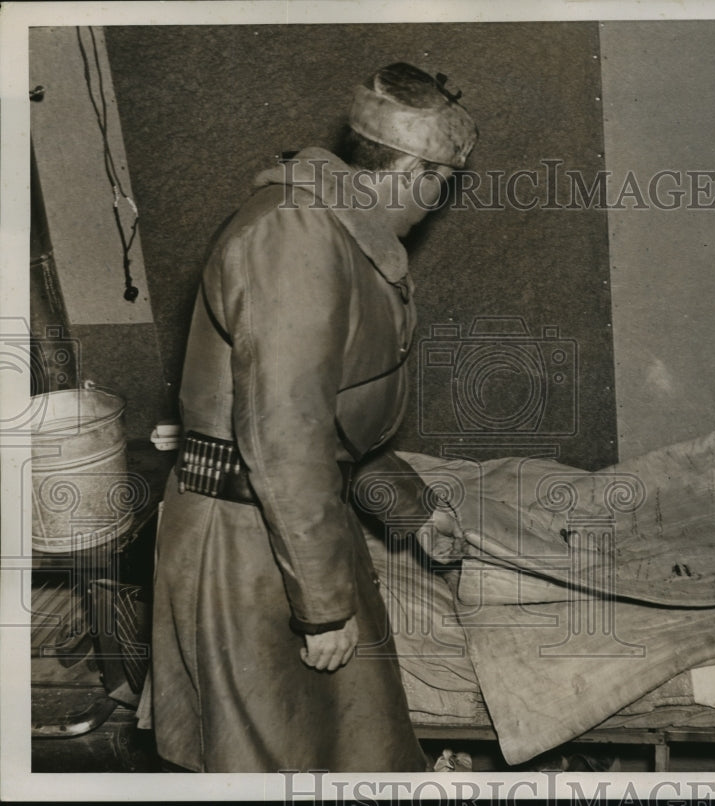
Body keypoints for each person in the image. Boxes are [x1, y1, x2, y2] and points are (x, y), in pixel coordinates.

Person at [150, 62, 477, 773]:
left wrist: (410, 511)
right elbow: (283, 438)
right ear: (416, 171)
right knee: (274, 763)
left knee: (353, 750)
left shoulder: (334, 231)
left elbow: (335, 429)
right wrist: (324, 607)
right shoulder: (295, 237)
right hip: (244, 549)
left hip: (283, 532)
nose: (432, 208)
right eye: (440, 188)